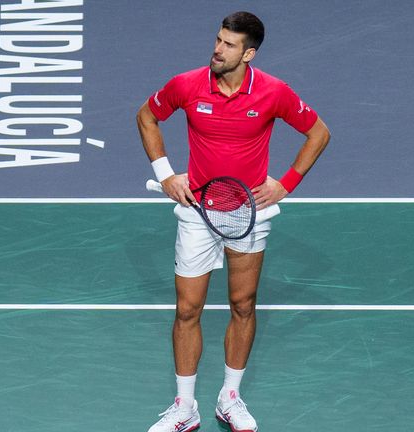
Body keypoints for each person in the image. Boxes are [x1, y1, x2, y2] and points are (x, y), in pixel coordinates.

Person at [137, 11, 330, 432]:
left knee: (243, 304)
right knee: (188, 309)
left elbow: (318, 133)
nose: (217, 49)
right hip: (197, 211)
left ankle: (230, 398)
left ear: (249, 53)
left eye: (228, 44)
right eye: (218, 39)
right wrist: (165, 174)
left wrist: (287, 183)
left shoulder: (274, 93)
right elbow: (146, 117)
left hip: (249, 211)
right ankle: (184, 408)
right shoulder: (186, 84)